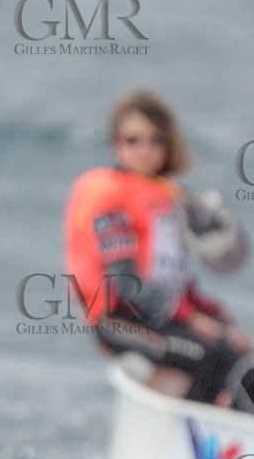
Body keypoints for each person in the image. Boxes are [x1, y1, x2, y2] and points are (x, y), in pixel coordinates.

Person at [64, 88, 252, 407]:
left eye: (156, 140)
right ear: (115, 143)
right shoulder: (107, 197)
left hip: (162, 317)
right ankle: (188, 441)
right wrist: (191, 319)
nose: (145, 150)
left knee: (238, 353)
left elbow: (176, 282)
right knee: (211, 354)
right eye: (133, 140)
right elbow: (128, 285)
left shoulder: (167, 198)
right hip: (120, 321)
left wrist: (221, 321)